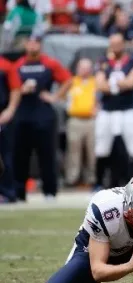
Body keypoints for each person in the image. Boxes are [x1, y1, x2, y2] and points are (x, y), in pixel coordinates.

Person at [13, 34, 72, 201]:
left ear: (40, 45)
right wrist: (20, 90)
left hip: (44, 115)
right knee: (20, 155)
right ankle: (19, 193)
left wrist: (55, 96)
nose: (32, 46)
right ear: (26, 45)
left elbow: (67, 79)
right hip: (22, 114)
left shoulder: (49, 62)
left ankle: (50, 192)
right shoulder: (18, 64)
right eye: (30, 43)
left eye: (36, 43)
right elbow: (11, 86)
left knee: (47, 154)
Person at [94, 33, 133, 190]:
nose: (115, 47)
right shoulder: (103, 61)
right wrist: (120, 84)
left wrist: (112, 84)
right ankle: (99, 184)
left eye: (118, 43)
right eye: (112, 43)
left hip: (128, 109)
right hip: (107, 110)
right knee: (102, 147)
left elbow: (132, 82)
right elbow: (100, 85)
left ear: (123, 44)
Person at [65, 58, 97, 187]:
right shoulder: (71, 82)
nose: (84, 70)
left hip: (92, 120)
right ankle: (72, 178)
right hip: (75, 120)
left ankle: (92, 178)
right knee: (73, 151)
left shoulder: (95, 82)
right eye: (82, 67)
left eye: (87, 67)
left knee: (92, 151)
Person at [0, 56, 22, 202]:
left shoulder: (6, 65)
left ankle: (8, 192)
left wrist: (10, 110)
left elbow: (15, 89)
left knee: (6, 155)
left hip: (2, 115)